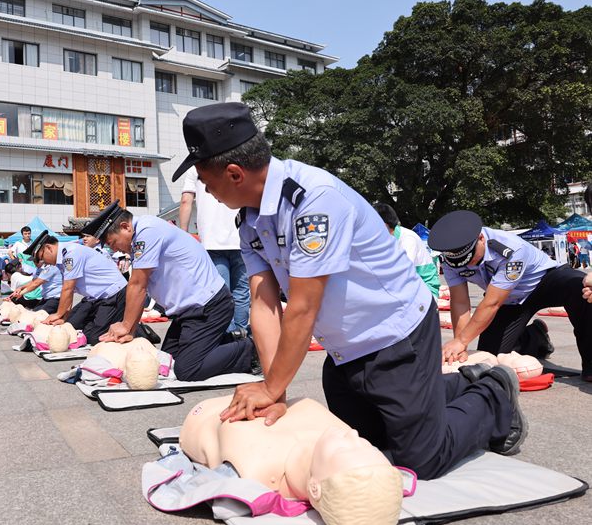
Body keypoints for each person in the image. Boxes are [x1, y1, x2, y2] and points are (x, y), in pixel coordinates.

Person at [171, 102, 520, 480]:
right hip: (346, 351)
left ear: (234, 173)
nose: (206, 190)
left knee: (420, 459)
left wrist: (271, 386)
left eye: (206, 181)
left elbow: (302, 307)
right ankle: (444, 389)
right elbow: (263, 303)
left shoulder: (312, 201)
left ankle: (492, 393)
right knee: (363, 444)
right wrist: (276, 392)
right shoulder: (251, 220)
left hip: (396, 337)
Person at [180, 395, 403, 525]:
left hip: (204, 413)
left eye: (346, 449)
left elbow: (199, 490)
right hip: (259, 393)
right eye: (366, 444)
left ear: (316, 489)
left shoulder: (255, 469)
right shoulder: (336, 435)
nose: (353, 435)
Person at [85, 201, 256, 381]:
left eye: (112, 243)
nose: (114, 249)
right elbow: (139, 287)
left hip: (209, 307)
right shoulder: (141, 234)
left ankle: (252, 349)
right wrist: (130, 330)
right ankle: (227, 341)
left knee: (188, 370)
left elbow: (137, 285)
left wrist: (126, 326)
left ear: (125, 226)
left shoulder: (147, 231)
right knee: (167, 361)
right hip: (187, 313)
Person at [429, 210, 592, 382]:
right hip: (510, 299)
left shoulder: (509, 248)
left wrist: (462, 341)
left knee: (581, 288)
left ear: (481, 239)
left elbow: (491, 303)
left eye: (470, 258)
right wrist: (460, 344)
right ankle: (534, 336)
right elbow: (460, 302)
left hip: (543, 282)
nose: (468, 264)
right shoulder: (450, 259)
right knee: (490, 357)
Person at [180, 166, 251, 333]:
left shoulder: (195, 168)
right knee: (241, 293)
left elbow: (186, 201)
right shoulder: (237, 163)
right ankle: (242, 337)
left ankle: (228, 338)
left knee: (221, 294)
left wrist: (183, 234)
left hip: (212, 242)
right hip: (241, 238)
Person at [26, 230, 129, 345]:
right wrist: (64, 317)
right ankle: (115, 323)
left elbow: (68, 289)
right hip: (95, 299)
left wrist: (58, 314)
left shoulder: (70, 254)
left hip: (114, 294)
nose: (44, 262)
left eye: (42, 257)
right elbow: (70, 290)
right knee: (74, 329)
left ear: (49, 248)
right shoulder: (62, 260)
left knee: (96, 338)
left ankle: (133, 329)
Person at [372, 203, 441, 298]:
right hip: (401, 289)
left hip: (424, 290)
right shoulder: (383, 240)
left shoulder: (407, 239)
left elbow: (403, 274)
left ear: (383, 225)